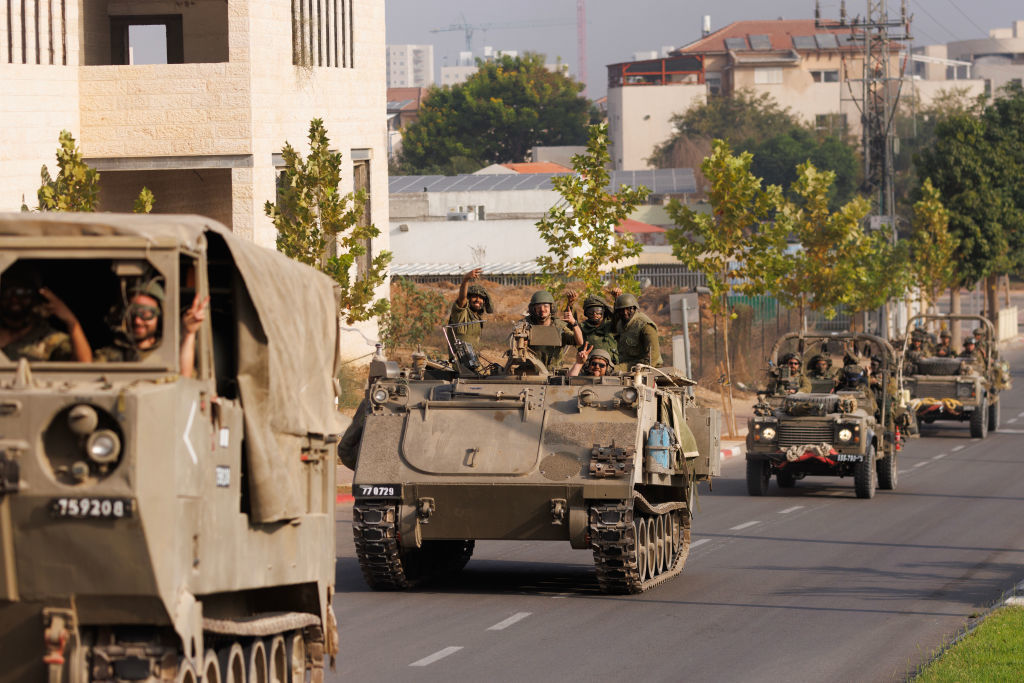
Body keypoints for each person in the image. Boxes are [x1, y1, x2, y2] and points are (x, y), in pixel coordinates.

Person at [95, 278, 208, 379]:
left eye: (146, 313)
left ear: (159, 316)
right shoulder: (109, 355)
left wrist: (189, 333)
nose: (137, 321)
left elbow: (184, 381)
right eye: (132, 313)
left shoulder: (170, 355)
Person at [0, 264, 92, 362]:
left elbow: (84, 363)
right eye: (8, 291)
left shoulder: (50, 339)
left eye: (22, 292)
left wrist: (71, 322)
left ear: (36, 297)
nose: (14, 299)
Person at [521, 290, 583, 371]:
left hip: (554, 374)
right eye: (539, 307)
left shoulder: (559, 326)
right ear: (533, 309)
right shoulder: (525, 325)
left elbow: (579, 342)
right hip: (530, 374)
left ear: (551, 308)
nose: (542, 310)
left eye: (546, 306)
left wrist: (574, 323)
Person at [613, 292, 662, 372]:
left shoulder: (645, 326)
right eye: (621, 310)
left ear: (635, 308)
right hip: (627, 365)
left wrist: (643, 372)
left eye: (629, 309)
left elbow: (653, 355)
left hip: (645, 368)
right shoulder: (620, 324)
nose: (625, 313)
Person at [448, 267, 492, 349]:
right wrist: (465, 280)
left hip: (472, 358)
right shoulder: (462, 312)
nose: (478, 300)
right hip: (459, 360)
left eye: (481, 298)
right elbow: (462, 298)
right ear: (469, 298)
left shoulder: (476, 316)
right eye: (474, 296)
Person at [572, 292, 619, 365]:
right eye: (591, 312)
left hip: (611, 366)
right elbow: (571, 325)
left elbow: (619, 317)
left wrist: (617, 299)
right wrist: (571, 304)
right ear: (586, 313)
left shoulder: (611, 325)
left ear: (603, 312)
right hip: (588, 367)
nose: (594, 314)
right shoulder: (581, 327)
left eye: (598, 311)